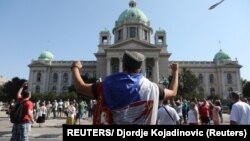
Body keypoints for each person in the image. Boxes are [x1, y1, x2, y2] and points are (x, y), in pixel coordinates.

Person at [71, 50, 179, 124]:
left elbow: (80, 87)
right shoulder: (154, 88)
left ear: (123, 66)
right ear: (140, 69)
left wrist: (75, 67)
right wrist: (175, 71)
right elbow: (173, 92)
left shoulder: (108, 85)